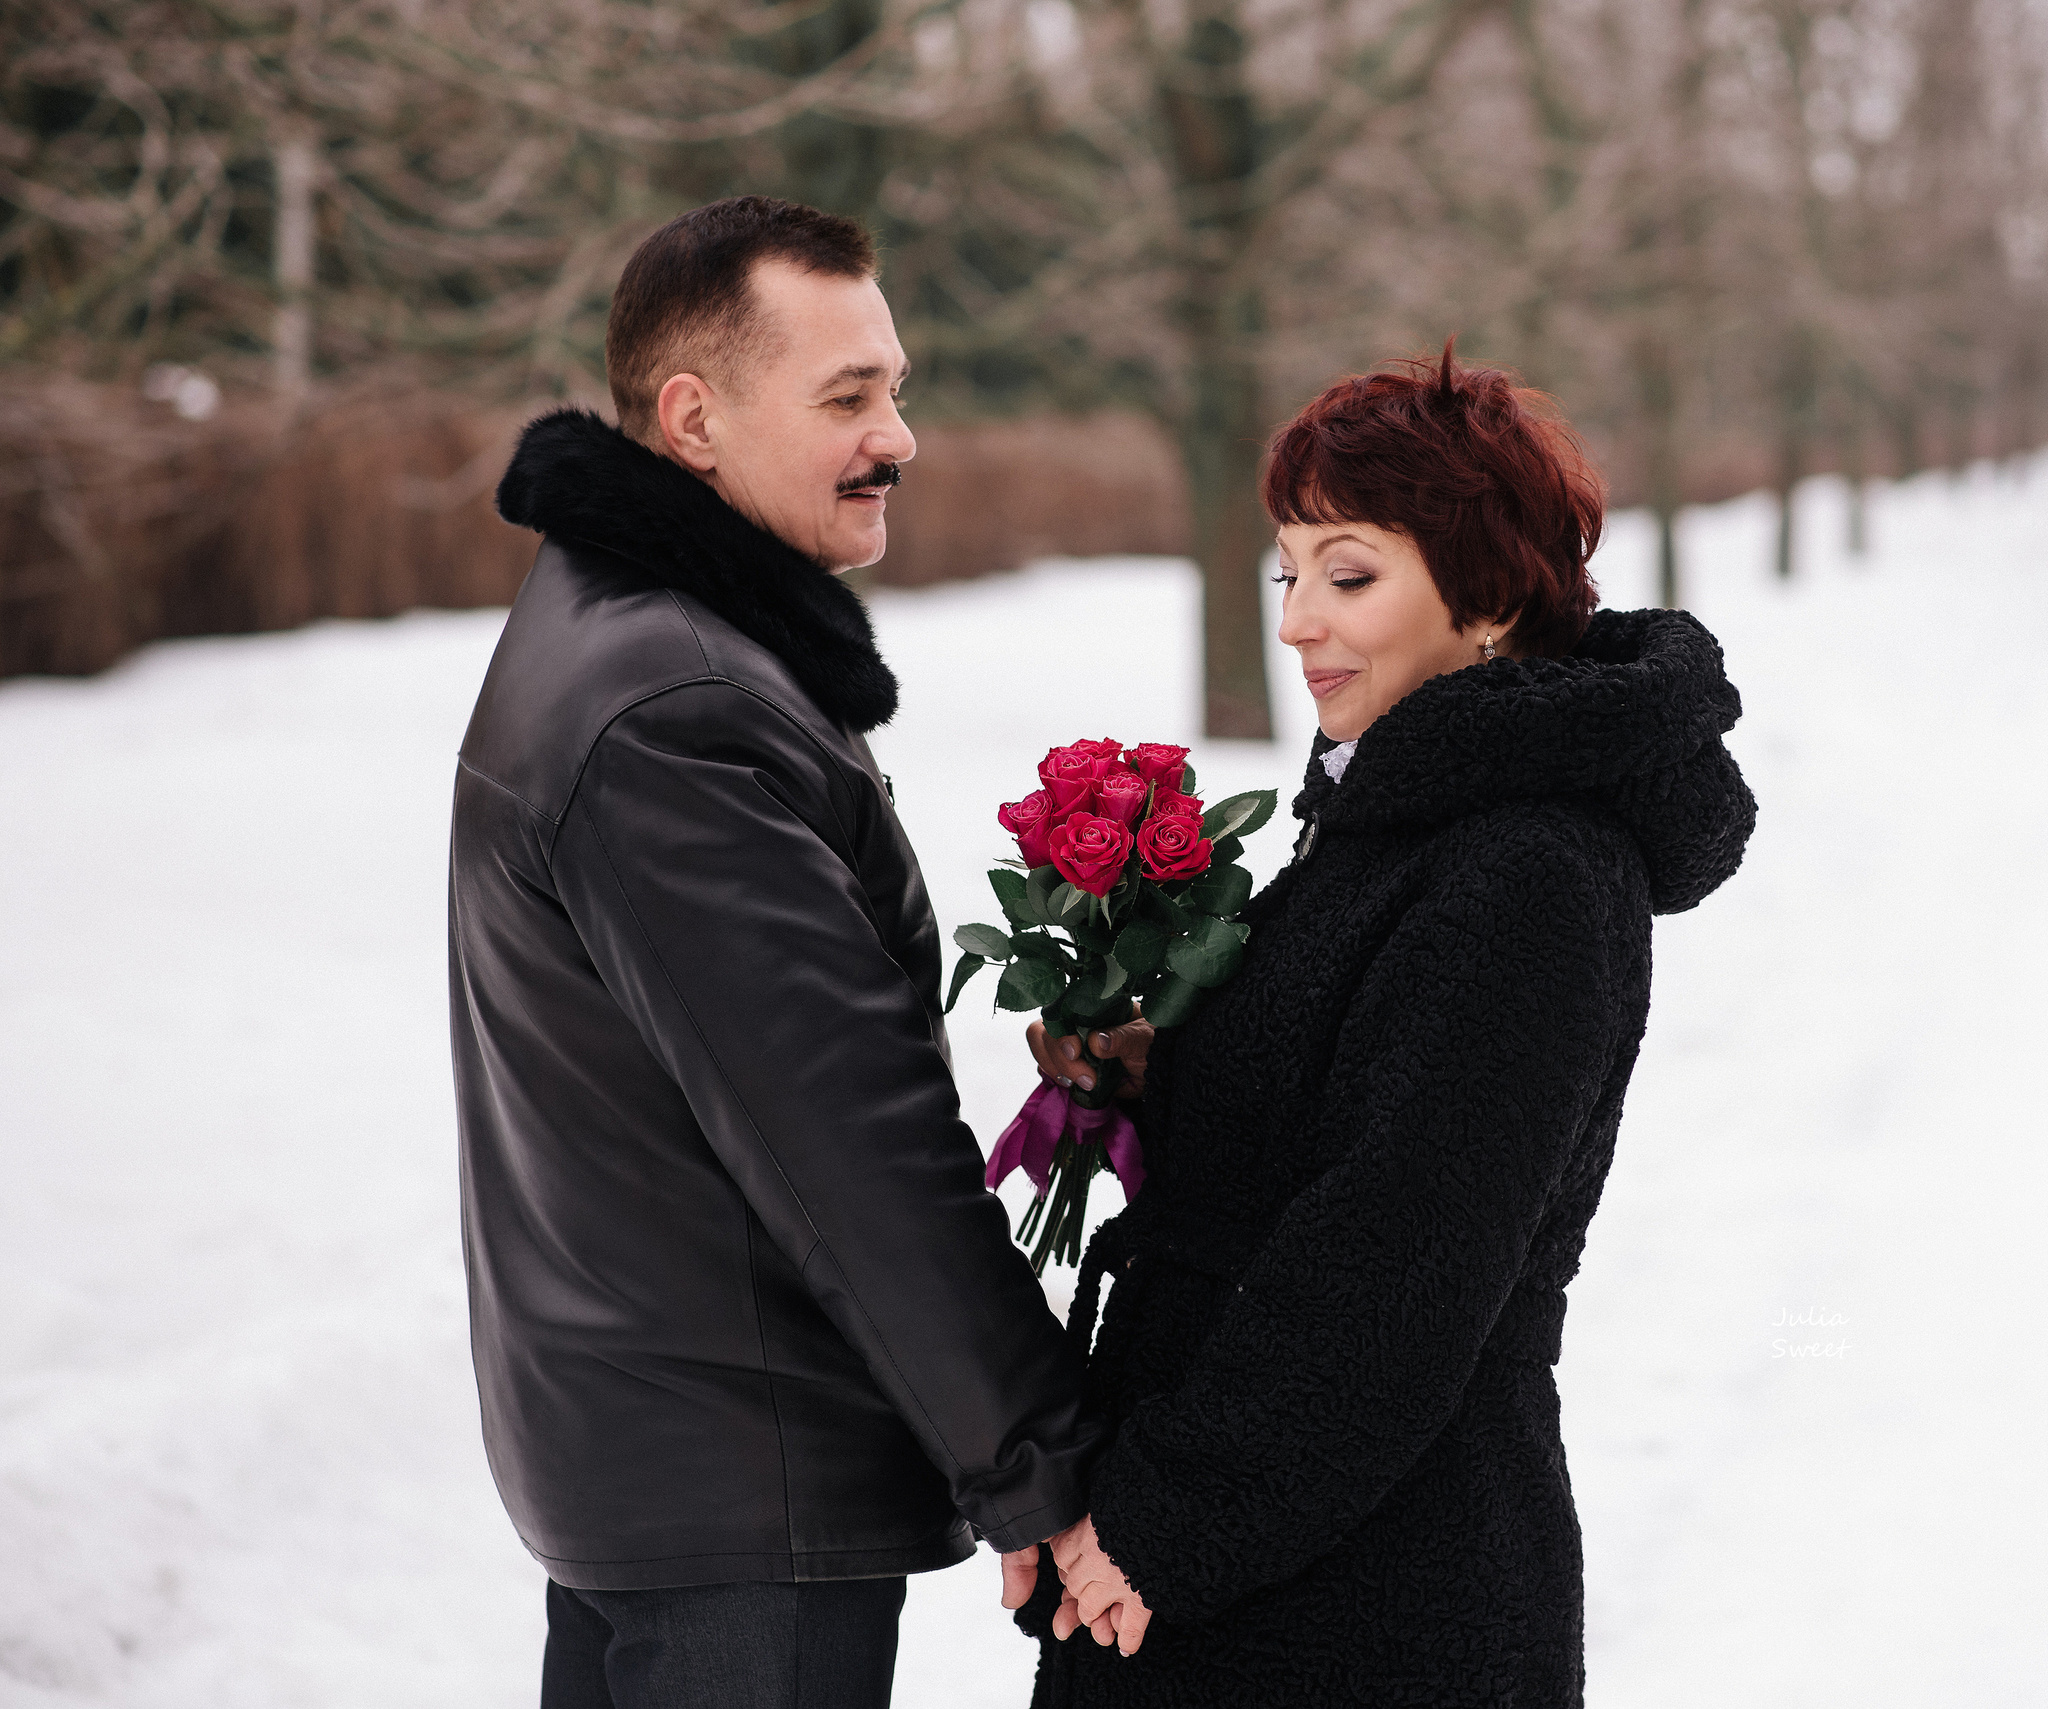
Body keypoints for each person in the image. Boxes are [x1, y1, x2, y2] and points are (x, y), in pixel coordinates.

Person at [1006, 344, 1757, 1705]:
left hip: (1367, 1603)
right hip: (1260, 1567)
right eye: (1288, 571)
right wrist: (1150, 1066)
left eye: (1348, 575)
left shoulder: (1526, 868)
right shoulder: (1392, 820)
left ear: (1484, 595)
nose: (1296, 622)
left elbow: (1397, 1256)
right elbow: (1329, 1106)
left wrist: (1164, 1520)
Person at [449, 196, 1106, 1709]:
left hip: (658, 1469)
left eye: (900, 385)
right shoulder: (676, 708)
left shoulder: (621, 626)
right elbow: (845, 1143)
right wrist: (1038, 1461)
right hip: (736, 1504)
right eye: (848, 397)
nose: (901, 434)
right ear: (693, 418)